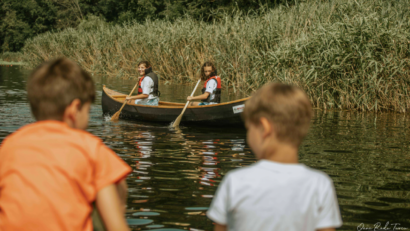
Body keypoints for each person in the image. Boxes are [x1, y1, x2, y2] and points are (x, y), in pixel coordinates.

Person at [0, 57, 131, 231]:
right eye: (87, 111)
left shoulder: (9, 146)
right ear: (74, 109)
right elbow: (116, 224)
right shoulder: (91, 148)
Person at [207, 83, 342, 231]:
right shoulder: (320, 185)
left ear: (264, 128)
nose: (248, 135)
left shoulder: (235, 182)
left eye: (249, 129)